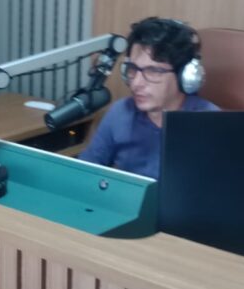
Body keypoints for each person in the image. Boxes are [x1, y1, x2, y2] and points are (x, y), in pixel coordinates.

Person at [79, 17, 219, 179]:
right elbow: (84, 175)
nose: (136, 83)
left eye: (153, 71)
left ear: (185, 77)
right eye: (133, 68)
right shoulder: (120, 113)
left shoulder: (212, 125)